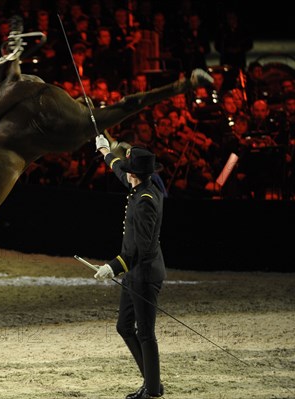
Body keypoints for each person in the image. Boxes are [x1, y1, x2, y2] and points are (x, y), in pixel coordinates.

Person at [93, 135, 166, 399]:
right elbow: (119, 171)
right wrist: (104, 151)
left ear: (134, 173)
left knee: (145, 333)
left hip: (145, 275)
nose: (125, 173)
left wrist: (114, 267)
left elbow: (142, 249)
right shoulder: (141, 186)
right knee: (124, 326)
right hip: (135, 274)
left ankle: (152, 390)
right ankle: (152, 382)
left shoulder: (146, 200)